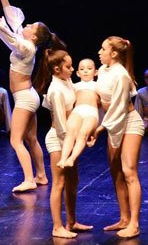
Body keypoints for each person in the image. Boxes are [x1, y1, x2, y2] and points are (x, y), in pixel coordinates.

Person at [0, 0, 60, 192]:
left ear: (34, 36)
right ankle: (41, 175)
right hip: (27, 96)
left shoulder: (26, 47)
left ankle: (29, 179)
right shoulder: (27, 43)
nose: (27, 26)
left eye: (30, 27)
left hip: (24, 98)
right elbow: (13, 20)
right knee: (31, 138)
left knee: (16, 140)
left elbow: (5, 30)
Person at [38, 49, 93, 239]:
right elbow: (61, 125)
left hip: (70, 136)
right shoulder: (56, 90)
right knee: (59, 182)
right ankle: (57, 227)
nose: (72, 70)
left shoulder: (67, 81)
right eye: (68, 67)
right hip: (59, 138)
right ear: (57, 69)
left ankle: (71, 221)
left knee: (73, 181)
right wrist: (72, 145)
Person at [95, 36, 145, 238]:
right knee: (116, 172)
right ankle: (124, 218)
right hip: (114, 125)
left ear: (114, 53)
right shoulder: (103, 71)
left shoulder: (121, 75)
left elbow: (118, 107)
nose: (99, 52)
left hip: (129, 123)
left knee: (129, 171)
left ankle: (134, 223)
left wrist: (99, 128)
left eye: (103, 48)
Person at [57, 58, 103, 168]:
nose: (85, 71)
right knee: (70, 133)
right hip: (77, 110)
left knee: (83, 134)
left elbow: (102, 105)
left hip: (91, 112)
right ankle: (63, 159)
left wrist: (98, 127)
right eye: (82, 69)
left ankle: (72, 158)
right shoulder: (74, 86)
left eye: (89, 68)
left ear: (96, 72)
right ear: (77, 73)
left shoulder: (98, 86)